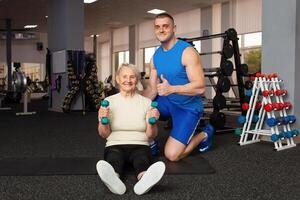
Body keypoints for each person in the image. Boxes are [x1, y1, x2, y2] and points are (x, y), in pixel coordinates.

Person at [142, 13, 214, 162]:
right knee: (140, 109)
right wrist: (129, 100)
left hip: (187, 107)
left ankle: (205, 134)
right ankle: (151, 142)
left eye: (165, 26)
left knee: (172, 156)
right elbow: (152, 90)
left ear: (174, 28)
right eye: (157, 27)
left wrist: (172, 89)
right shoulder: (155, 57)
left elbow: (200, 88)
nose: (161, 30)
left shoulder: (187, 52)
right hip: (167, 102)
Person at [96, 63, 166, 195]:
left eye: (132, 77)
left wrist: (153, 123)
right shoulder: (108, 102)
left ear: (137, 80)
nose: (128, 80)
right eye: (124, 76)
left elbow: (151, 136)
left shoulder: (147, 103)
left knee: (142, 160)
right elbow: (104, 134)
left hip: (140, 145)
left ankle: (144, 179)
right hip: (115, 144)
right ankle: (113, 179)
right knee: (114, 159)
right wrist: (103, 122)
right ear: (117, 79)